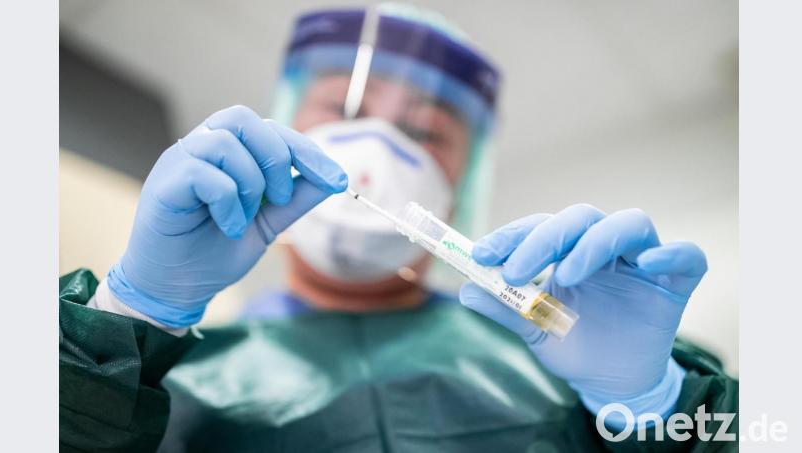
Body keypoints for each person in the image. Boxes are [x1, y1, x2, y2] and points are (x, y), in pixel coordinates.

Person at [59, 5, 738, 452]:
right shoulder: (154, 372)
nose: (378, 146)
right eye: (347, 108)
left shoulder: (562, 347)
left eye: (422, 131)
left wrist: (661, 405)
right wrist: (126, 313)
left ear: (456, 184)